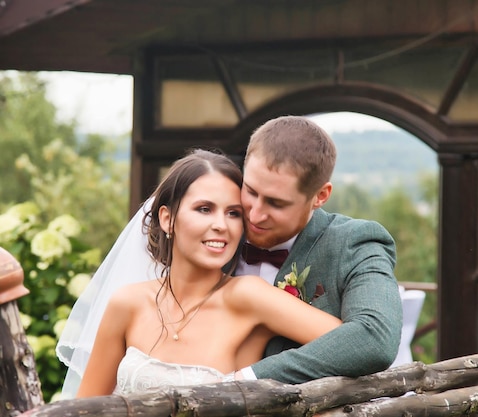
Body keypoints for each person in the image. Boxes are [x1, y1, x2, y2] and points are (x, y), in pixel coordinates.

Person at [73, 149, 341, 397]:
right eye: (204, 209)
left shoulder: (249, 295)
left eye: (234, 213)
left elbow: (350, 344)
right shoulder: (127, 303)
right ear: (167, 219)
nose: (221, 225)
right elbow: (85, 408)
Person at [235, 115, 402, 383]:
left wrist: (248, 379)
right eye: (251, 191)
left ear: (320, 196)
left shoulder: (356, 242)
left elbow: (375, 338)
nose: (254, 214)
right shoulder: (214, 231)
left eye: (276, 204)